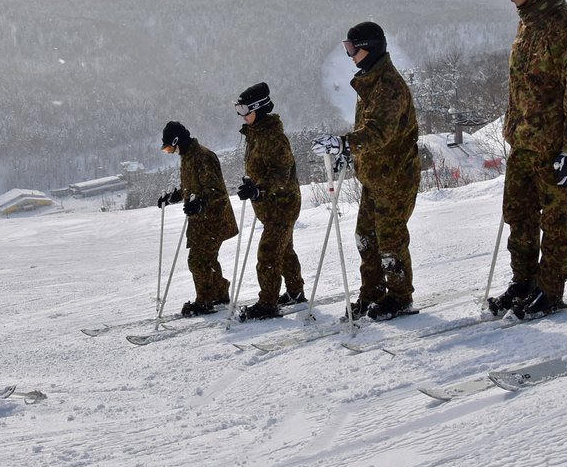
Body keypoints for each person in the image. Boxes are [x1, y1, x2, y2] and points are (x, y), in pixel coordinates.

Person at [487, 0, 567, 320]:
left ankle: (550, 289)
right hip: (522, 140)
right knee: (518, 215)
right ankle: (523, 281)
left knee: (554, 219)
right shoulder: (528, 23)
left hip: (552, 146)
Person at [313, 21, 420, 321]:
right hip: (376, 176)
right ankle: (372, 293)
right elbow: (368, 131)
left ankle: (399, 297)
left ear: (370, 49)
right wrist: (349, 153)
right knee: (366, 237)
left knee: (389, 238)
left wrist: (345, 145)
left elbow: (378, 132)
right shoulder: (371, 81)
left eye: (352, 49)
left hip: (395, 177)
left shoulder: (387, 86)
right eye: (346, 48)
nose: (349, 55)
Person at [233, 82, 306, 321]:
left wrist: (258, 189)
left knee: (268, 253)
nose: (242, 116)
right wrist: (253, 188)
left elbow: (281, 175)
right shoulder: (256, 135)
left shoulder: (273, 138)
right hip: (269, 204)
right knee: (284, 251)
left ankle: (268, 303)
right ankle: (295, 293)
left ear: (259, 109)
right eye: (239, 110)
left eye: (245, 110)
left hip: (282, 204)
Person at [157, 121, 239, 316]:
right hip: (200, 220)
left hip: (214, 220)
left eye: (169, 148)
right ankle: (219, 294)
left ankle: (204, 301)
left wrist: (201, 203)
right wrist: (172, 197)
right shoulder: (187, 156)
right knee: (208, 260)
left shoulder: (203, 156)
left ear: (177, 141)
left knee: (197, 261)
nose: (170, 152)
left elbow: (216, 190)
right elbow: (191, 187)